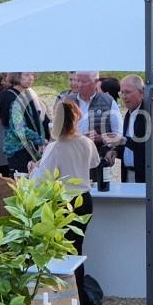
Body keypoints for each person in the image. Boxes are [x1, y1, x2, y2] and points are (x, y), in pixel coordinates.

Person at [34, 100, 99, 288]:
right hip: (85, 198)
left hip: (64, 200)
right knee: (76, 248)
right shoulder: (86, 142)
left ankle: (68, 294)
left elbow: (41, 179)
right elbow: (94, 163)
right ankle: (79, 294)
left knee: (63, 250)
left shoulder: (54, 148)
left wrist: (34, 167)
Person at [0, 72, 50, 175]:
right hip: (18, 150)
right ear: (16, 75)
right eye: (26, 75)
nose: (31, 78)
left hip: (29, 149)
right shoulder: (10, 97)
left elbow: (37, 120)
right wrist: (40, 140)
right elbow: (19, 129)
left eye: (32, 74)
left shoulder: (25, 94)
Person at [64, 71, 122, 156]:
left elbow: (119, 135)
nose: (79, 84)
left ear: (95, 82)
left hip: (98, 159)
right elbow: (58, 131)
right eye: (77, 80)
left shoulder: (108, 102)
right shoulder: (67, 101)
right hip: (71, 157)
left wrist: (101, 138)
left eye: (84, 82)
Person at [116, 75, 150, 183]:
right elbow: (128, 146)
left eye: (128, 92)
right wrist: (115, 152)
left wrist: (122, 140)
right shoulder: (129, 113)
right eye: (122, 93)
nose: (124, 97)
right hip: (128, 173)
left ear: (142, 92)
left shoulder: (151, 113)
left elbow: (148, 145)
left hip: (146, 177)